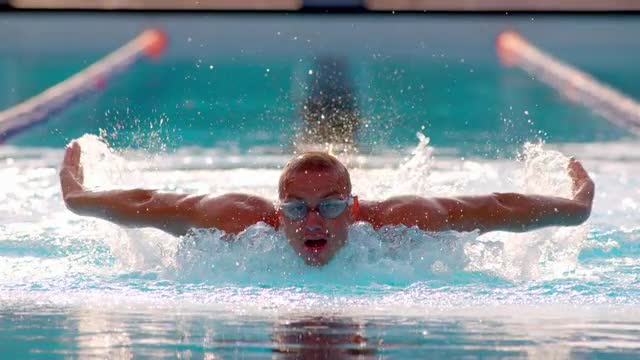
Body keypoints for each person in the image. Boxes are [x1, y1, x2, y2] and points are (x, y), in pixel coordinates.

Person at [60, 141, 595, 266]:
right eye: (297, 208)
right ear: (277, 210)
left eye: (330, 206)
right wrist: (79, 197)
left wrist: (575, 208)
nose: (313, 220)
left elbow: (495, 205)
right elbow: (153, 202)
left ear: (354, 207)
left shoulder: (401, 223)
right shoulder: (238, 222)